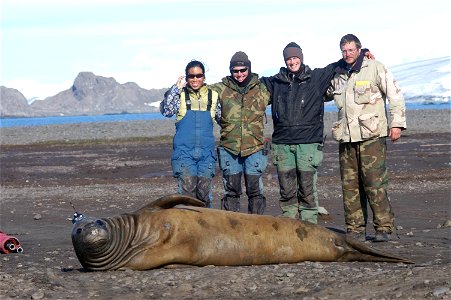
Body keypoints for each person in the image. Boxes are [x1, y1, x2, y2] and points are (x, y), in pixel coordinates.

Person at [326, 34, 406, 242]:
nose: (347, 54)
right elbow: (322, 92)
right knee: (350, 185)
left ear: (359, 50)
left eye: (351, 50)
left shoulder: (375, 67)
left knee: (374, 182)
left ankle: (384, 227)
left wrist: (396, 124)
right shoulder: (338, 74)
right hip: (346, 137)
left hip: (372, 136)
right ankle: (354, 229)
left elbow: (395, 95)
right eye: (344, 51)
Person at [261, 42, 351, 224]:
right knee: (286, 189)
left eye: (295, 58)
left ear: (301, 58)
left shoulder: (316, 77)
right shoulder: (275, 81)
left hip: (308, 143)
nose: (292, 61)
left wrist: (363, 52)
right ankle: (289, 223)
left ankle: (309, 225)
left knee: (307, 188)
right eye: (288, 58)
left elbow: (338, 65)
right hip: (282, 144)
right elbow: (249, 83)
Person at [209, 51, 271, 214]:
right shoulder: (221, 89)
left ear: (248, 69)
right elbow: (199, 91)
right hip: (229, 148)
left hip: (255, 148)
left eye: (243, 70)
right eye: (235, 71)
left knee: (255, 192)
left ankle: (256, 230)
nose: (239, 74)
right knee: (231, 192)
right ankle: (232, 230)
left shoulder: (263, 88)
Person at [160, 60, 221, 208]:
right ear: (186, 78)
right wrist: (175, 89)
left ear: (204, 77)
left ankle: (206, 229)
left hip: (206, 155)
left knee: (205, 195)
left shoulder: (213, 96)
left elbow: (224, 120)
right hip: (184, 154)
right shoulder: (179, 95)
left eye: (198, 75)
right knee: (186, 197)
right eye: (191, 76)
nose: (195, 79)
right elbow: (167, 111)